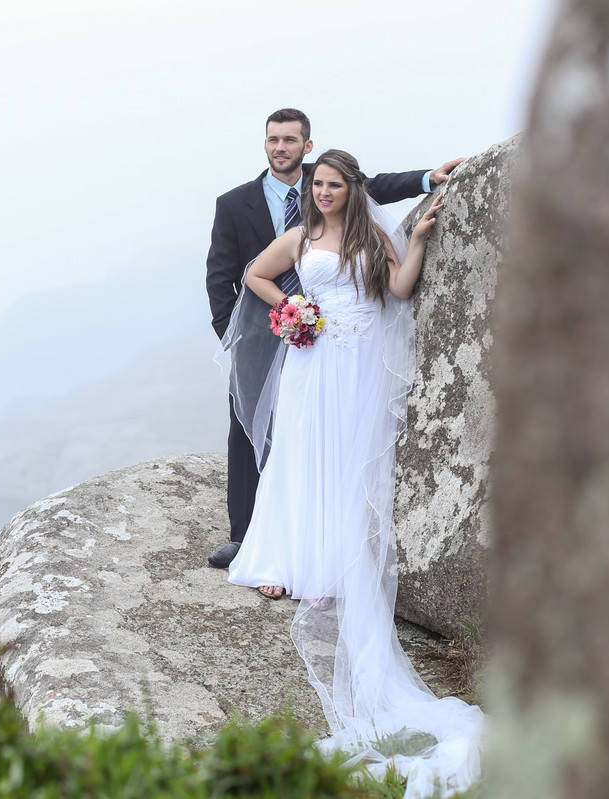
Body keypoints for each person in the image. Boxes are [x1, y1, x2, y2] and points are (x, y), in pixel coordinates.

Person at [219, 149, 484, 796]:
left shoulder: (373, 234)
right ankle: (294, 562)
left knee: (350, 463)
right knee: (305, 459)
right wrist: (289, 310)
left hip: (362, 359)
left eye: (336, 185)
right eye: (320, 185)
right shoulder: (301, 236)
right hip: (314, 361)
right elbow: (256, 273)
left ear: (352, 187)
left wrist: (418, 236)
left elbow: (397, 290)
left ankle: (338, 564)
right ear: (310, 189)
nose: (328, 193)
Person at [205, 108, 463, 568]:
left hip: (344, 339)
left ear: (306, 146)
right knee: (252, 429)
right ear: (264, 144)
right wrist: (243, 334)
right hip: (274, 332)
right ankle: (247, 536)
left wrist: (427, 178)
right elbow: (225, 275)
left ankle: (330, 544)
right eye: (272, 139)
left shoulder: (324, 184)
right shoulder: (234, 203)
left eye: (289, 140)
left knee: (326, 437)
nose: (279, 147)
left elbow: (373, 186)